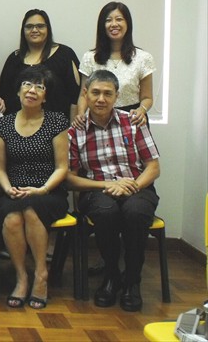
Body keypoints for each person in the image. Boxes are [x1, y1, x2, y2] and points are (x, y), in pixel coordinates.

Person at [67, 70, 160, 312]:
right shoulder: (75, 131)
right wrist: (107, 185)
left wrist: (131, 186)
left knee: (135, 212)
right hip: (97, 189)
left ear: (117, 96)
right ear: (86, 94)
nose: (101, 99)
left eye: (108, 94)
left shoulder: (134, 122)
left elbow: (153, 167)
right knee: (106, 212)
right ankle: (111, 275)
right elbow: (70, 179)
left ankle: (132, 280)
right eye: (95, 92)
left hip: (137, 186)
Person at [0, 65, 69, 310]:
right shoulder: (4, 124)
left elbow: (62, 167)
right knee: (12, 218)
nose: (32, 90)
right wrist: (7, 188)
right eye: (27, 84)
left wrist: (43, 189)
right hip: (14, 190)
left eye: (39, 87)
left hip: (49, 191)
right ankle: (21, 277)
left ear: (45, 96)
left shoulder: (57, 121)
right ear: (18, 92)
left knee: (31, 209)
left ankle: (41, 274)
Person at [74, 2, 155, 128]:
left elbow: (147, 97)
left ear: (127, 24)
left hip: (132, 120)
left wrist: (141, 110)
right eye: (108, 20)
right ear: (102, 25)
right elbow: (83, 96)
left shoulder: (143, 58)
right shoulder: (90, 58)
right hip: (98, 119)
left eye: (119, 19)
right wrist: (80, 114)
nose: (114, 24)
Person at [0, 9, 80, 120]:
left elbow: (76, 96)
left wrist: (72, 128)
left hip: (58, 126)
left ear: (48, 29)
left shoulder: (65, 54)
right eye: (29, 27)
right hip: (17, 126)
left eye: (40, 26)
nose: (34, 30)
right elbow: (3, 95)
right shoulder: (14, 59)